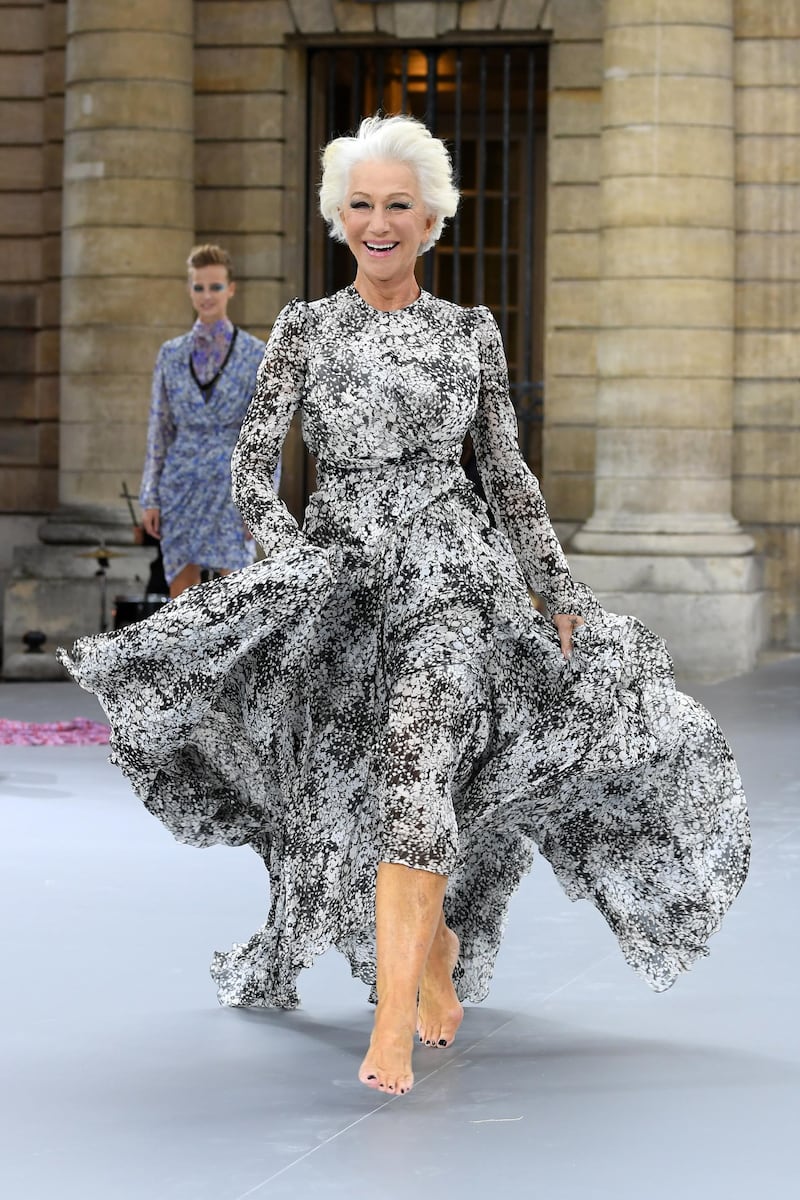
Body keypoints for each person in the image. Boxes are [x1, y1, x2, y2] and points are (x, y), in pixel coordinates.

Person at [60, 116, 749, 1099]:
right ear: (338, 219)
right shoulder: (303, 328)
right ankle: (427, 953)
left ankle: (388, 1022)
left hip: (449, 575)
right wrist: (295, 561)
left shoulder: (469, 332)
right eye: (360, 204)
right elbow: (251, 471)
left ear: (431, 220)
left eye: (397, 205)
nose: (377, 222)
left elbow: (505, 476)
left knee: (418, 766)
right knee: (365, 788)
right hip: (340, 578)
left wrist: (551, 586)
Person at [139, 244, 267, 598]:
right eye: (199, 287)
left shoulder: (256, 354)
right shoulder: (171, 354)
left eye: (215, 287)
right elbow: (160, 428)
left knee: (236, 596)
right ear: (189, 290)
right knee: (180, 600)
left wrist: (260, 502)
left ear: (231, 289)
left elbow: (265, 437)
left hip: (232, 486)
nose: (207, 296)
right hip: (181, 485)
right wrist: (150, 496)